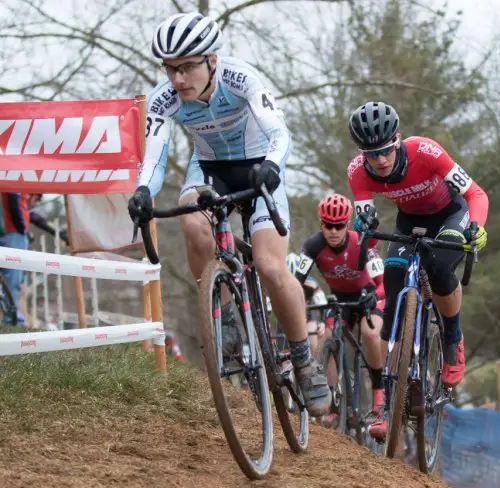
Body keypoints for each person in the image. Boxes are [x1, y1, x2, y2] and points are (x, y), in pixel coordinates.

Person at [126, 12, 330, 416]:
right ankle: (223, 314)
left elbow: (279, 132)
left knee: (271, 266)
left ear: (211, 61)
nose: (177, 79)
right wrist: (143, 190)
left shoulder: (241, 79)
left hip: (258, 166)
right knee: (191, 218)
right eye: (170, 69)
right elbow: (154, 154)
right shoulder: (163, 98)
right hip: (210, 168)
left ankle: (304, 360)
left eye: (186, 67)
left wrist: (272, 165)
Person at [346, 101, 489, 432]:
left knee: (440, 267)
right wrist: (363, 231)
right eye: (370, 154)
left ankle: (453, 335)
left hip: (450, 215)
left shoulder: (426, 151)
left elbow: (476, 194)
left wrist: (477, 227)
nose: (379, 160)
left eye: (384, 150)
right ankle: (392, 398)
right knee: (393, 291)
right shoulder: (357, 171)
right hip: (408, 221)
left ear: (397, 139)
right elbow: (365, 231)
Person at [293, 193, 387, 438]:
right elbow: (295, 284)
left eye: (339, 226)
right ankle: (334, 399)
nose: (333, 231)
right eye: (328, 225)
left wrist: (375, 296)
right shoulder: (313, 246)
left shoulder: (361, 242)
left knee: (370, 333)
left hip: (369, 297)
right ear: (321, 224)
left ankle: (379, 392)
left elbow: (383, 282)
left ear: (347, 224)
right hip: (341, 302)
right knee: (328, 340)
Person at [284, 252, 326, 354]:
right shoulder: (278, 285)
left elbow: (323, 305)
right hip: (287, 317)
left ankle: (312, 361)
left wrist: (322, 322)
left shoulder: (311, 283)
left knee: (311, 335)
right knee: (283, 344)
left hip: (307, 315)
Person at [0, 192, 31, 325]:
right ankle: (13, 322)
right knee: (13, 279)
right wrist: (22, 227)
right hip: (12, 232)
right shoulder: (16, 175)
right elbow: (13, 199)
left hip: (8, 230)